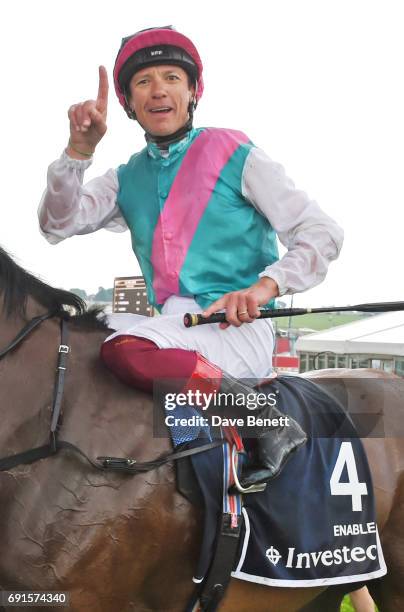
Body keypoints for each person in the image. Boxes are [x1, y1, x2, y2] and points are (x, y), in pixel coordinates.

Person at [38, 26, 344, 490]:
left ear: (192, 91)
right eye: (143, 82)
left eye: (171, 77)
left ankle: (265, 421)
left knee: (124, 349)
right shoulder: (126, 178)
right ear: (129, 103)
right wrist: (79, 151)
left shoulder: (234, 152)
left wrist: (264, 288)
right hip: (174, 329)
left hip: (238, 327)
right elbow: (56, 224)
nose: (158, 89)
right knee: (75, 341)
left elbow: (322, 231)